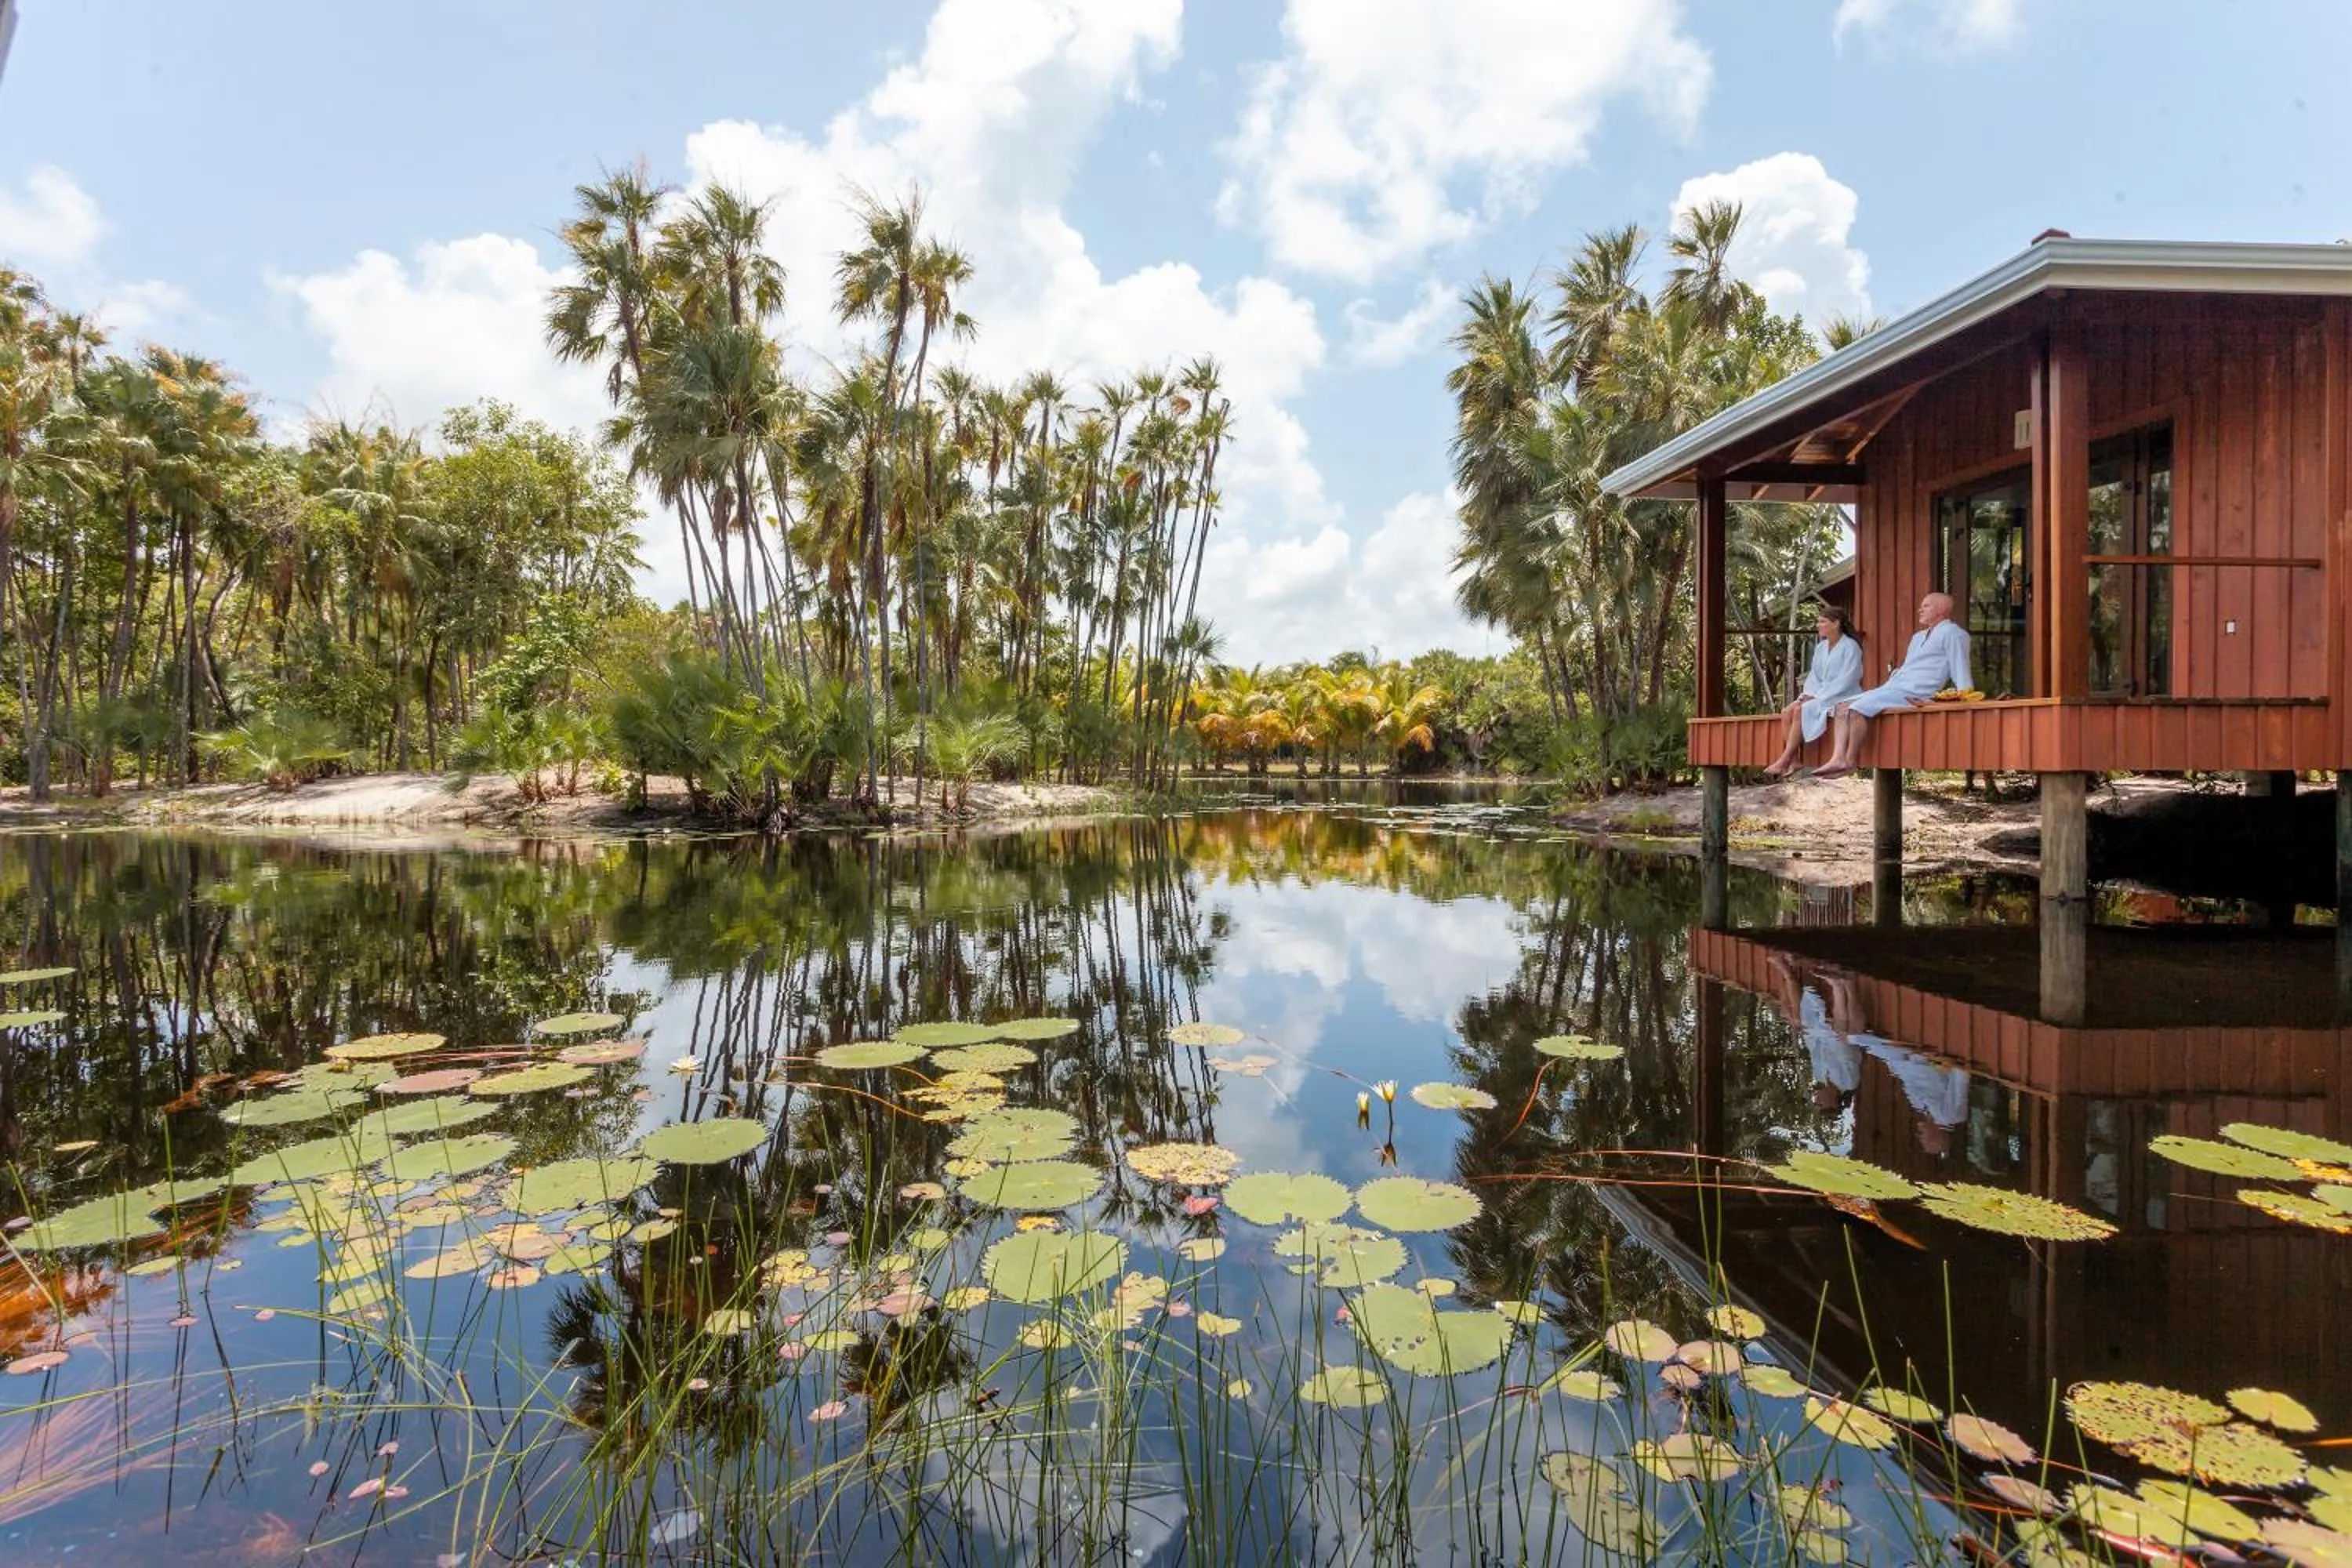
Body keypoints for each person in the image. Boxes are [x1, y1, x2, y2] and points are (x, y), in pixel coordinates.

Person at [1813, 591, 1973, 780]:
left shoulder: (1953, 633)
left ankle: (1850, 761)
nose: (1920, 609)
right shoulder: (1918, 637)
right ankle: (1837, 757)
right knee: (1841, 707)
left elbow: (1960, 665)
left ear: (1941, 610)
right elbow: (1908, 666)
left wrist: (1965, 695)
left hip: (1917, 692)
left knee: (1856, 709)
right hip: (1895, 687)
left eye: (1926, 606)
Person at [1762, 604, 1863, 779]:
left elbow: (1849, 678)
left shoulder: (1851, 646)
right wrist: (1808, 695)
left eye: (1822, 622)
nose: (1818, 625)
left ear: (1836, 623)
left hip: (1844, 694)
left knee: (1801, 709)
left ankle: (1784, 759)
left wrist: (1819, 697)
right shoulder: (1821, 648)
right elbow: (1815, 677)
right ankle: (1794, 760)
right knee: (1787, 711)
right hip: (1820, 694)